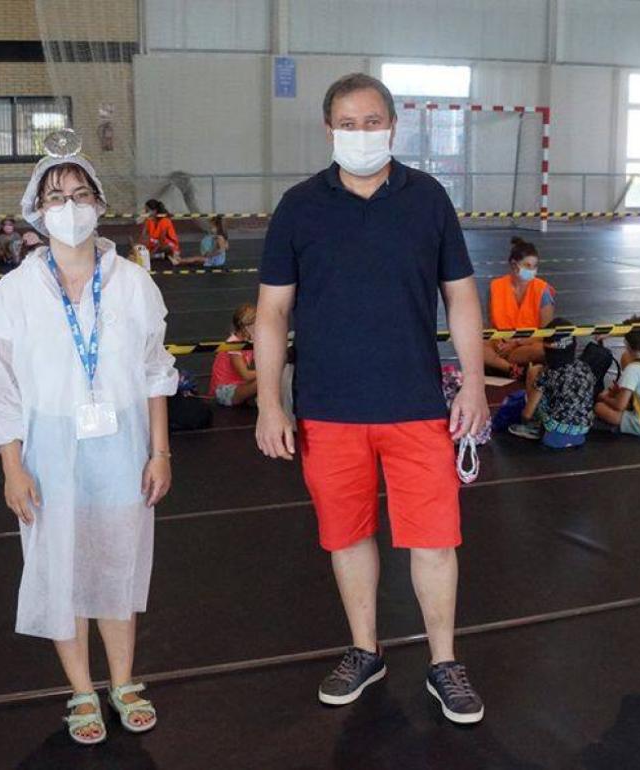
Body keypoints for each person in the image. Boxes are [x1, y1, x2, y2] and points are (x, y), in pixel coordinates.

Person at [254, 73, 489, 724]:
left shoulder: (428, 199)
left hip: (415, 402)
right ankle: (366, 649)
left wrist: (471, 379)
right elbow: (272, 312)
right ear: (330, 130)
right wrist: (270, 401)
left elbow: (461, 294)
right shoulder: (300, 207)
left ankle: (444, 661)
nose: (363, 133)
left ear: (394, 124)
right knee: (347, 536)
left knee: (435, 539)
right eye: (349, 124)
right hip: (328, 410)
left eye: (374, 121)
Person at [0, 130, 179, 745]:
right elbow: (2, 386)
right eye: (55, 195)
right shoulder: (13, 292)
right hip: (47, 448)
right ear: (35, 209)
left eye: (79, 192)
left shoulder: (135, 283)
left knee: (117, 560)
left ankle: (122, 680)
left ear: (99, 202)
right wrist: (13, 466)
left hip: (121, 445)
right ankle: (81, 691)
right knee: (59, 565)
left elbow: (153, 369)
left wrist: (160, 450)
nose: (68, 205)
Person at [509, 318, 596, 449]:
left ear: (546, 351)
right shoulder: (586, 368)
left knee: (533, 373)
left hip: (553, 433)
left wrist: (523, 416)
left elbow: (527, 413)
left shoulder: (547, 374)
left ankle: (534, 426)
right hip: (582, 431)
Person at [482, 237, 556, 378]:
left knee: (544, 350)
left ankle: (500, 365)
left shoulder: (542, 290)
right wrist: (499, 343)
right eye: (528, 266)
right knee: (475, 343)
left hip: (525, 346)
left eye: (535, 266)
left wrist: (515, 343)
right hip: (499, 344)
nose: (532, 270)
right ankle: (512, 369)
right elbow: (491, 325)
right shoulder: (495, 287)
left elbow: (545, 333)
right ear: (514, 265)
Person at [595, 315, 640, 438]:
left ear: (627, 345)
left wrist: (604, 398)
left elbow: (620, 405)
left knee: (599, 407)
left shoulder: (633, 369)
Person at [209, 303, 257, 406]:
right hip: (223, 391)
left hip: (238, 385)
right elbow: (246, 375)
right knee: (267, 379)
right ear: (245, 328)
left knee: (268, 378)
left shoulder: (248, 342)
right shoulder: (234, 344)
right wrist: (270, 372)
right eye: (255, 326)